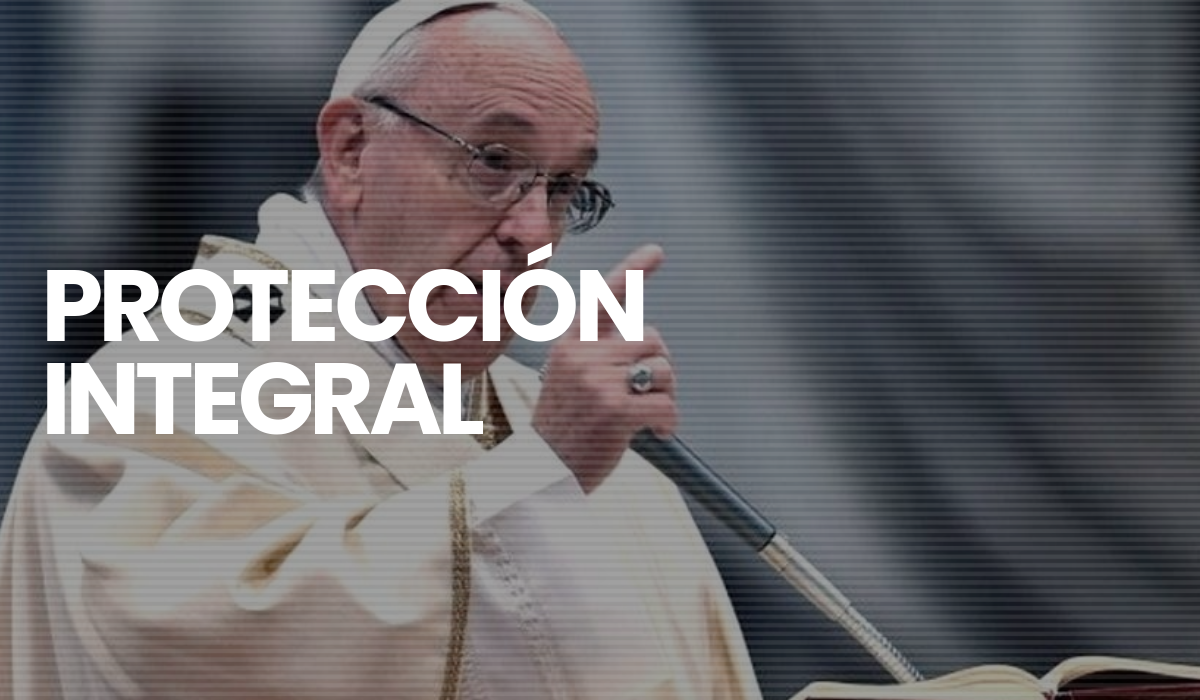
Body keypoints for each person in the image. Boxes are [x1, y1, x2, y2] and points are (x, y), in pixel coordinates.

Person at [0, 1, 764, 698]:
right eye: (494, 161)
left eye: (563, 188)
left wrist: (551, 461)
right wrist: (539, 475)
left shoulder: (595, 455)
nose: (533, 232)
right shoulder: (152, 396)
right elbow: (203, 647)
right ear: (351, 151)